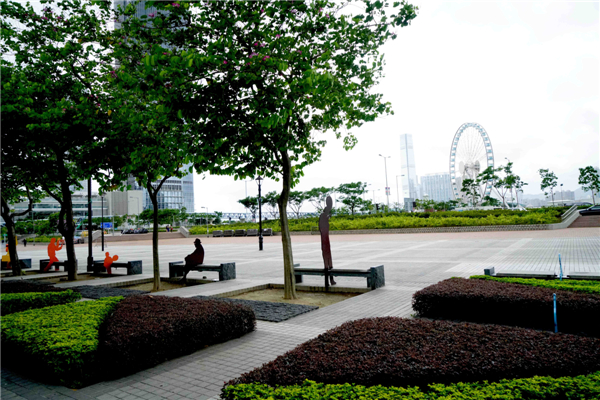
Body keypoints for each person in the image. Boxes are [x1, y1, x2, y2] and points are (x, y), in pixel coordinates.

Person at [319, 196, 336, 286]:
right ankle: (328, 281)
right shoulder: (323, 216)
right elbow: (322, 228)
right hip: (324, 240)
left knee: (328, 259)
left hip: (326, 240)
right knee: (327, 260)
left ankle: (330, 280)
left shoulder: (324, 216)